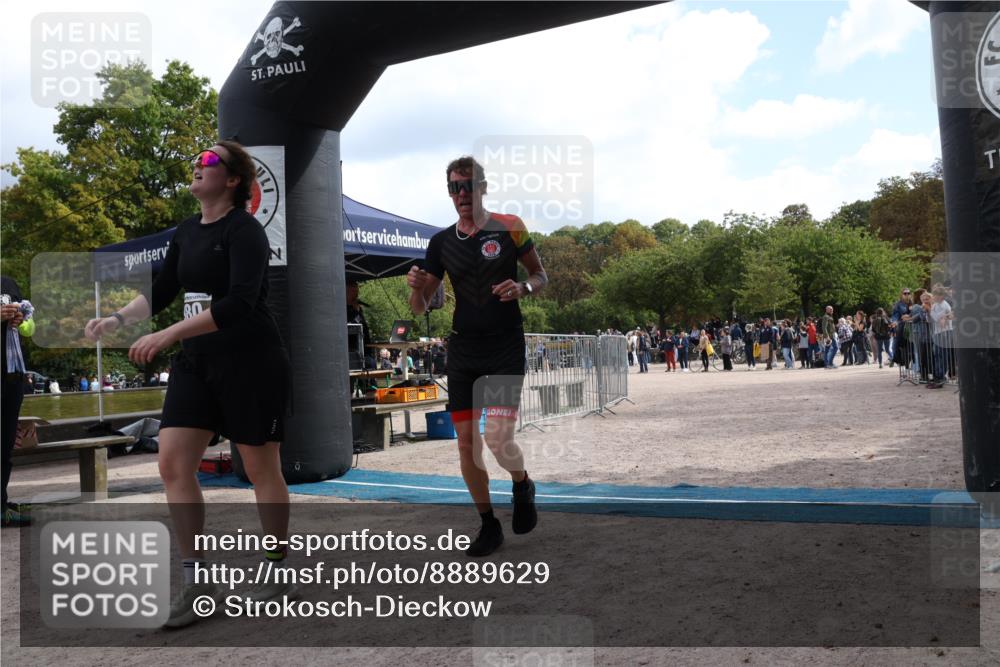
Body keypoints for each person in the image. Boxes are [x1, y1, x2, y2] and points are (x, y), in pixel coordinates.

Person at [84, 141, 293, 627]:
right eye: (198, 159)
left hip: (251, 361)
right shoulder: (186, 231)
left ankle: (277, 570)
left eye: (210, 160)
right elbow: (161, 289)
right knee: (172, 463)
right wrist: (117, 319)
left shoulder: (245, 230)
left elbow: (240, 302)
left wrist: (168, 334)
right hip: (197, 364)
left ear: (234, 180)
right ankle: (197, 581)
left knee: (261, 468)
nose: (199, 165)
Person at [406, 155, 546, 558]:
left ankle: (521, 483)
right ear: (449, 192)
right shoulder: (441, 242)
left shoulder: (510, 226)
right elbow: (420, 307)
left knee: (498, 439)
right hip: (464, 349)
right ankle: (488, 524)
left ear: (483, 187)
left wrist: (523, 288)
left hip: (504, 346)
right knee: (466, 445)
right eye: (455, 187)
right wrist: (415, 287)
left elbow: (540, 275)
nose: (462, 194)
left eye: (468, 185)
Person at [2, 276, 33, 527]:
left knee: (4, 444)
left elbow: (29, 330)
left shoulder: (9, 284)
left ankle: (1, 504)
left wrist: (21, 321)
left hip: (12, 376)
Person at [346, 280, 376, 369]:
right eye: (354, 291)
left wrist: (357, 310)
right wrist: (356, 311)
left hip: (365, 349)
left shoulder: (357, 308)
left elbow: (363, 325)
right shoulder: (343, 308)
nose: (356, 295)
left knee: (372, 364)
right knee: (370, 363)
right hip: (353, 351)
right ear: (346, 292)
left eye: (357, 291)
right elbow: (352, 326)